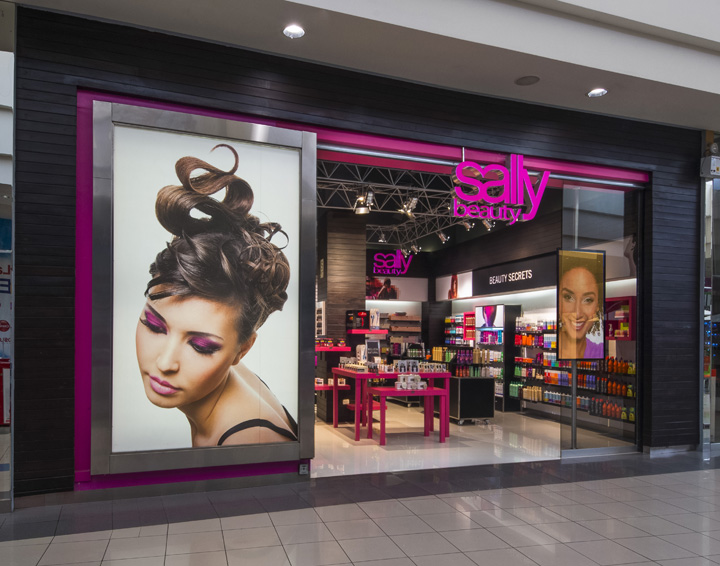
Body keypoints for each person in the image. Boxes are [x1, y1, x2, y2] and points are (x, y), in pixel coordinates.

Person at [135, 144, 297, 447]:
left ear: (242, 350)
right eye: (155, 326)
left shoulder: (246, 443)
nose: (165, 362)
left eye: (201, 346)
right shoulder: (231, 378)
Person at [558, 253, 604, 359]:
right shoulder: (548, 351)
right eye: (568, 297)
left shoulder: (600, 353)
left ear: (597, 306)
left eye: (588, 300)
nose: (577, 313)